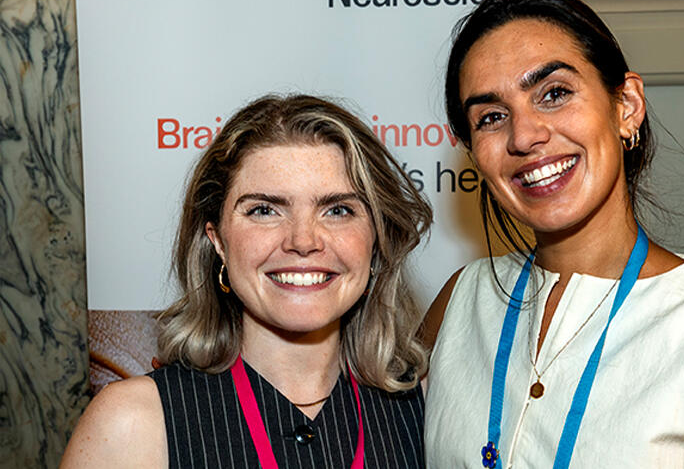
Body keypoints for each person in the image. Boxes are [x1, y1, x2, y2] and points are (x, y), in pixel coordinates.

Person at [422, 0, 684, 468]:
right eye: (492, 117)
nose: (523, 136)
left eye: (555, 94)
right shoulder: (461, 302)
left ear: (626, 105)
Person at [62, 94, 432, 468]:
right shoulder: (132, 423)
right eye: (264, 210)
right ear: (218, 241)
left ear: (376, 241)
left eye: (338, 210)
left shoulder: (424, 410)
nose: (303, 240)